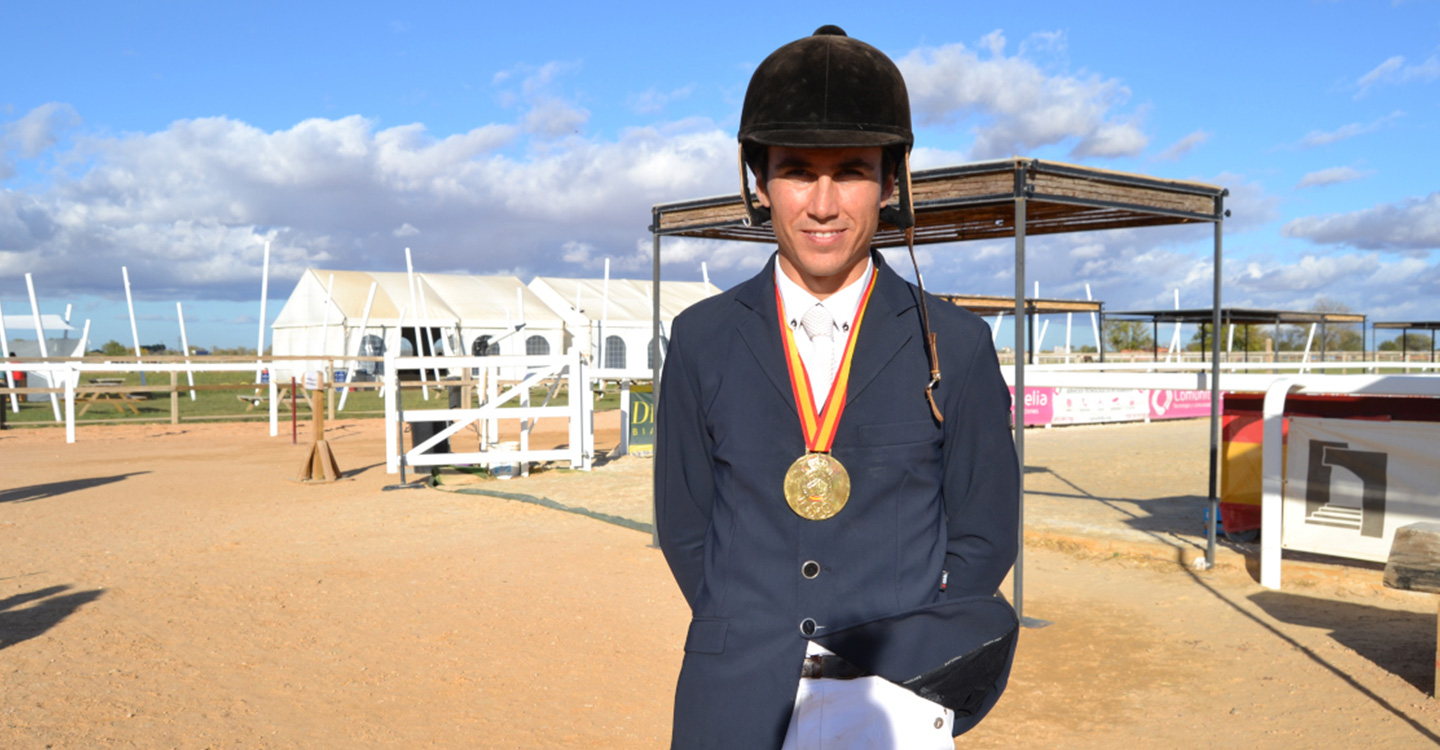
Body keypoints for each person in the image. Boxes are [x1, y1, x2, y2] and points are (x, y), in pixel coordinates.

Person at [655, 26, 1021, 750]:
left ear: (892, 182)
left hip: (892, 702)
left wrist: (899, 641)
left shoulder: (959, 344)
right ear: (759, 182)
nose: (823, 204)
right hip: (733, 697)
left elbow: (984, 531)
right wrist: (750, 624)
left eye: (851, 171)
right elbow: (687, 524)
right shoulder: (700, 338)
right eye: (797, 171)